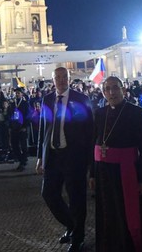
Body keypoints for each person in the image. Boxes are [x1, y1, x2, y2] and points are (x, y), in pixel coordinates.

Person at [90, 76, 142, 252]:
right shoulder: (99, 114)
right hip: (103, 173)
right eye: (107, 89)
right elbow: (95, 145)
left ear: (123, 89)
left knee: (131, 213)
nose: (112, 92)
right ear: (103, 92)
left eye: (115, 87)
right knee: (107, 211)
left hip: (127, 172)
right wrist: (92, 174)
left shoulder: (136, 113)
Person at [36, 67, 94, 252]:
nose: (61, 80)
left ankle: (78, 237)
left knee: (77, 198)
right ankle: (71, 224)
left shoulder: (81, 99)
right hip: (52, 156)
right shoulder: (47, 99)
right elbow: (43, 129)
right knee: (49, 194)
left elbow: (90, 131)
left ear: (69, 79)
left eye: (64, 77)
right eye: (57, 77)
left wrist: (90, 162)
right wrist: (40, 157)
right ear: (52, 80)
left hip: (74, 156)